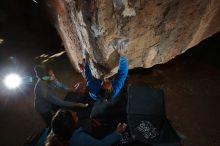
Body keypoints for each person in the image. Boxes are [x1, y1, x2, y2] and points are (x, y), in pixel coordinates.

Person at [45, 109, 127, 146]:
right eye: (72, 114)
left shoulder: (60, 130)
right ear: (70, 124)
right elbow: (102, 144)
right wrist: (117, 133)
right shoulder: (78, 139)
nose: (75, 113)